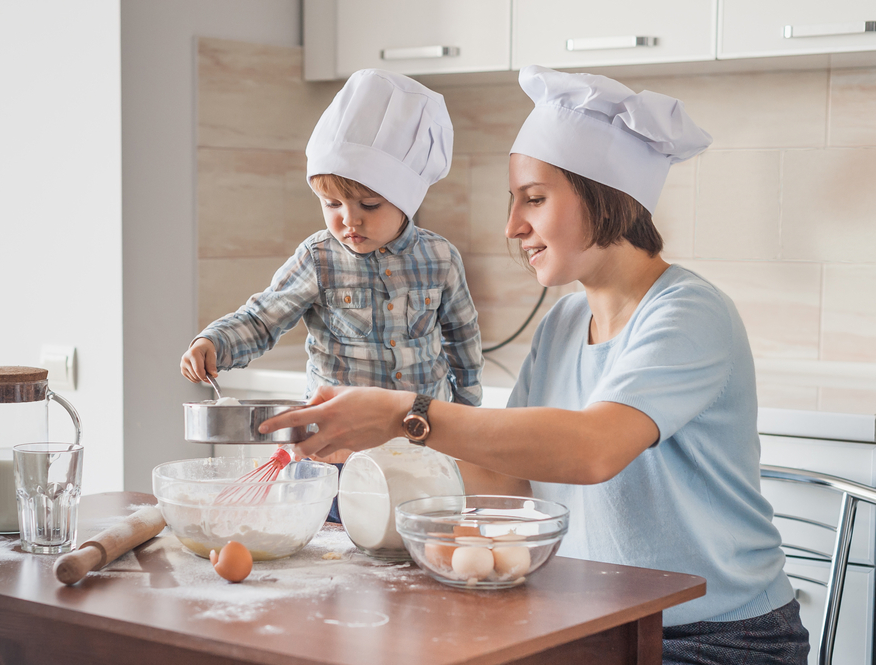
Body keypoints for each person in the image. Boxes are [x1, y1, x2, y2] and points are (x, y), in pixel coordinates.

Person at [260, 65, 810, 664]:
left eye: (535, 199)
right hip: (602, 620)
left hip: (719, 640)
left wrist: (404, 414)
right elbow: (507, 483)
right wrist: (374, 448)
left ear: (608, 198)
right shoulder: (566, 323)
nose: (512, 226)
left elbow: (593, 448)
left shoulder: (688, 312)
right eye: (513, 200)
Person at [181, 70, 484, 521]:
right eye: (332, 204)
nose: (348, 221)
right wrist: (214, 342)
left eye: (368, 205)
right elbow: (263, 317)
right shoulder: (319, 258)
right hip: (333, 455)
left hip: (418, 455)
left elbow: (463, 342)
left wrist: (465, 421)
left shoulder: (440, 258)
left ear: (407, 197)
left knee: (410, 561)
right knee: (333, 562)